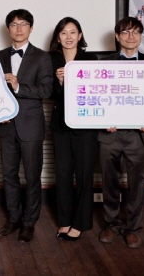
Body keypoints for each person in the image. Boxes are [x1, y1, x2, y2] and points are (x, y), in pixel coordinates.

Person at [97, 16, 144, 249]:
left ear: (141, 35)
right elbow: (96, 97)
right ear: (117, 36)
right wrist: (104, 119)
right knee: (109, 182)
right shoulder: (103, 64)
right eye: (125, 32)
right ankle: (111, 224)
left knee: (138, 184)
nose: (130, 36)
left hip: (140, 135)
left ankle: (133, 228)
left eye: (135, 32)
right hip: (110, 133)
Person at [0, 9, 52, 243]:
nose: (18, 29)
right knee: (9, 175)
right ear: (8, 29)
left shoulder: (42, 57)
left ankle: (29, 222)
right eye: (14, 24)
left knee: (32, 177)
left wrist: (19, 87)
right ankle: (13, 218)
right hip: (6, 125)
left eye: (23, 24)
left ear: (31, 28)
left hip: (31, 126)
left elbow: (46, 90)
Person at [50, 17, 98, 241]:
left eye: (72, 32)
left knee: (84, 173)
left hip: (86, 125)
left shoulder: (90, 59)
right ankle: (65, 220)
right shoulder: (50, 60)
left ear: (80, 36)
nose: (68, 37)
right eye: (63, 33)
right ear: (58, 37)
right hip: (60, 124)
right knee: (62, 173)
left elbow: (96, 91)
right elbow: (48, 93)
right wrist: (60, 84)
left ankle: (81, 223)